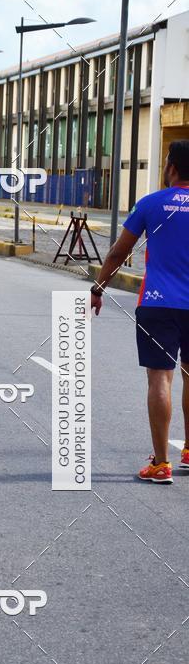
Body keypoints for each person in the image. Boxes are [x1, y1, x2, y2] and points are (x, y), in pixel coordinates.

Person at [91, 139, 189, 484]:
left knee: (160, 378)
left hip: (158, 303)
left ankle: (161, 463)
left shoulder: (151, 203)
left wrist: (98, 288)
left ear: (172, 167)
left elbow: (119, 252)